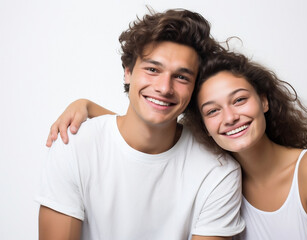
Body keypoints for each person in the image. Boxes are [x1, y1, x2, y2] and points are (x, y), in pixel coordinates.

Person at [49, 51, 307, 239]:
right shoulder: (221, 174)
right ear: (203, 124)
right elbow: (146, 128)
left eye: (239, 99)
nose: (230, 118)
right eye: (212, 111)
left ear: (264, 100)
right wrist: (87, 106)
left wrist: (86, 105)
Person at [38, 8, 246, 240]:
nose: (164, 87)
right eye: (152, 69)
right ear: (128, 72)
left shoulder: (217, 172)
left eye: (181, 77)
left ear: (194, 88)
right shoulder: (74, 145)